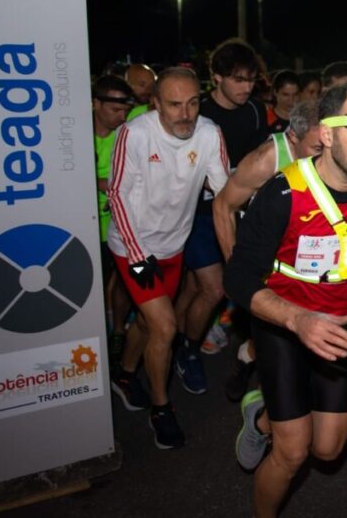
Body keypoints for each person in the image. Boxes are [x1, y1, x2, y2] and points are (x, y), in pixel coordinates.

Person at [225, 83, 347, 518]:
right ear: (328, 134)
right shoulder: (282, 194)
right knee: (293, 453)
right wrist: (297, 320)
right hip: (283, 325)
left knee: (328, 450)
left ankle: (263, 416)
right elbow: (237, 278)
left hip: (341, 324)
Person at [106, 67, 230, 449]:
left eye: (193, 103)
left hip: (175, 245)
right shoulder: (136, 133)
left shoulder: (209, 133)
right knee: (164, 327)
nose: (185, 114)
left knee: (148, 325)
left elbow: (225, 190)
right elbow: (117, 195)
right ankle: (161, 408)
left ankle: (126, 373)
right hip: (134, 247)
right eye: (174, 104)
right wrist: (138, 256)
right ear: (155, 103)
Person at [174, 39, 269, 396]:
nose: (246, 87)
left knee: (200, 288)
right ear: (216, 78)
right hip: (197, 214)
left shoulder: (257, 110)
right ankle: (187, 351)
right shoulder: (197, 116)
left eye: (251, 80)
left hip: (242, 210)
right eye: (238, 79)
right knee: (211, 289)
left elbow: (262, 158)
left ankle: (182, 340)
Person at [211, 100, 323, 401]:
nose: (325, 156)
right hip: (268, 255)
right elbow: (222, 206)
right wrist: (238, 273)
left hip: (308, 253)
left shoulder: (328, 150)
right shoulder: (266, 160)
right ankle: (268, 411)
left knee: (295, 337)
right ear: (294, 138)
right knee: (281, 339)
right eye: (316, 149)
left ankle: (248, 357)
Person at [92, 75, 136, 363]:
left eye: (125, 111)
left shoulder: (129, 133)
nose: (122, 117)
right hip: (86, 226)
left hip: (120, 227)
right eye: (114, 110)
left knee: (121, 283)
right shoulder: (72, 135)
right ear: (95, 104)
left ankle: (118, 332)